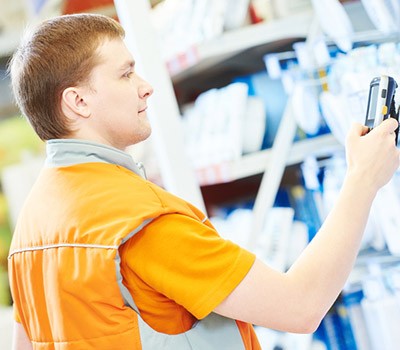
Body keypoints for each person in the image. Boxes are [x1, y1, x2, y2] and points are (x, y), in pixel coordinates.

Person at [7, 13, 400, 350]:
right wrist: (363, 179)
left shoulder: (30, 231)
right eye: (126, 74)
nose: (146, 85)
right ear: (78, 102)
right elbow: (300, 305)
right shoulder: (136, 222)